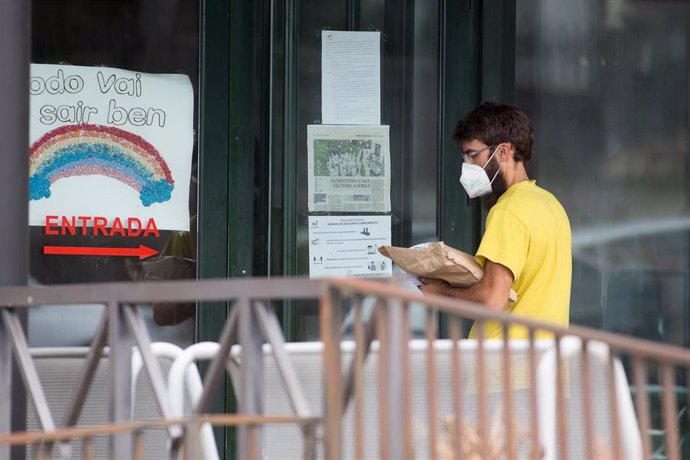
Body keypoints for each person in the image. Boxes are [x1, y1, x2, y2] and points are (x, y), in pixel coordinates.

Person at [419, 101, 571, 339]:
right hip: (545, 363)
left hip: (505, 366)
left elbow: (492, 298)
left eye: (472, 155)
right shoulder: (551, 205)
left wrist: (441, 292)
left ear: (503, 152)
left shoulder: (508, 211)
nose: (466, 166)